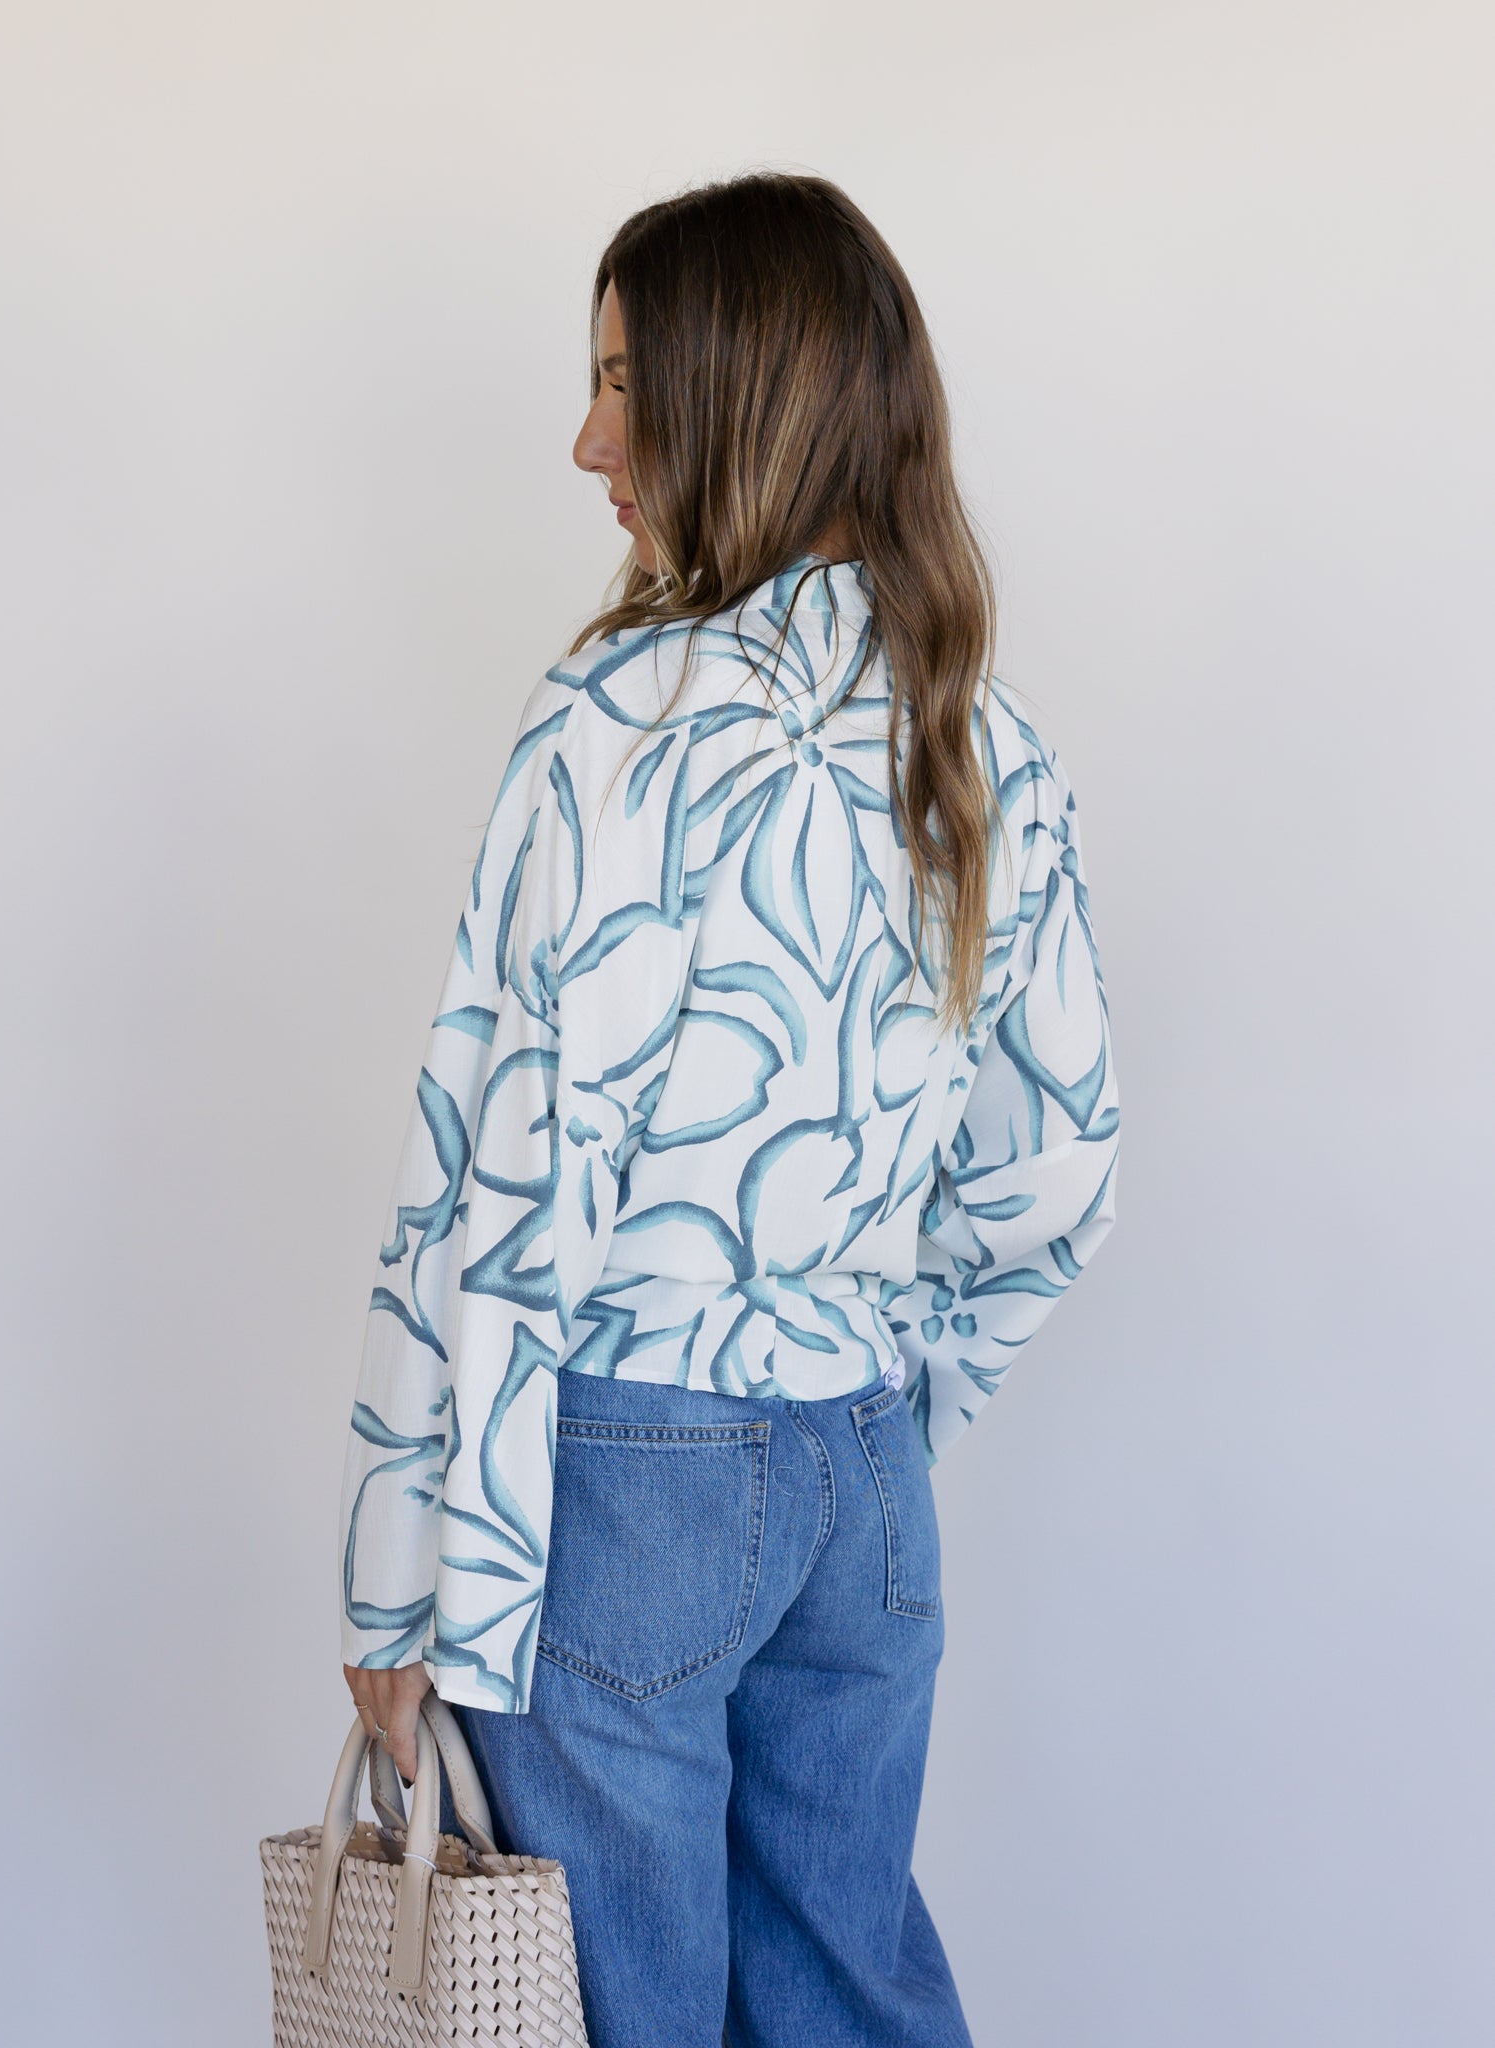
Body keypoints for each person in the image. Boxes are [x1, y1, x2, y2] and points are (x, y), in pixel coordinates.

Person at [338, 169, 1120, 2048]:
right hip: (863, 1478)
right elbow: (1057, 1167)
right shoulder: (981, 735)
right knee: (846, 1987)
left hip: (626, 1471)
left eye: (626, 381)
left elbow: (499, 1174)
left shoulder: (619, 721)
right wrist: (883, 1401)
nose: (588, 441)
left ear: (743, 392)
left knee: (624, 2010)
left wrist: (401, 1579)